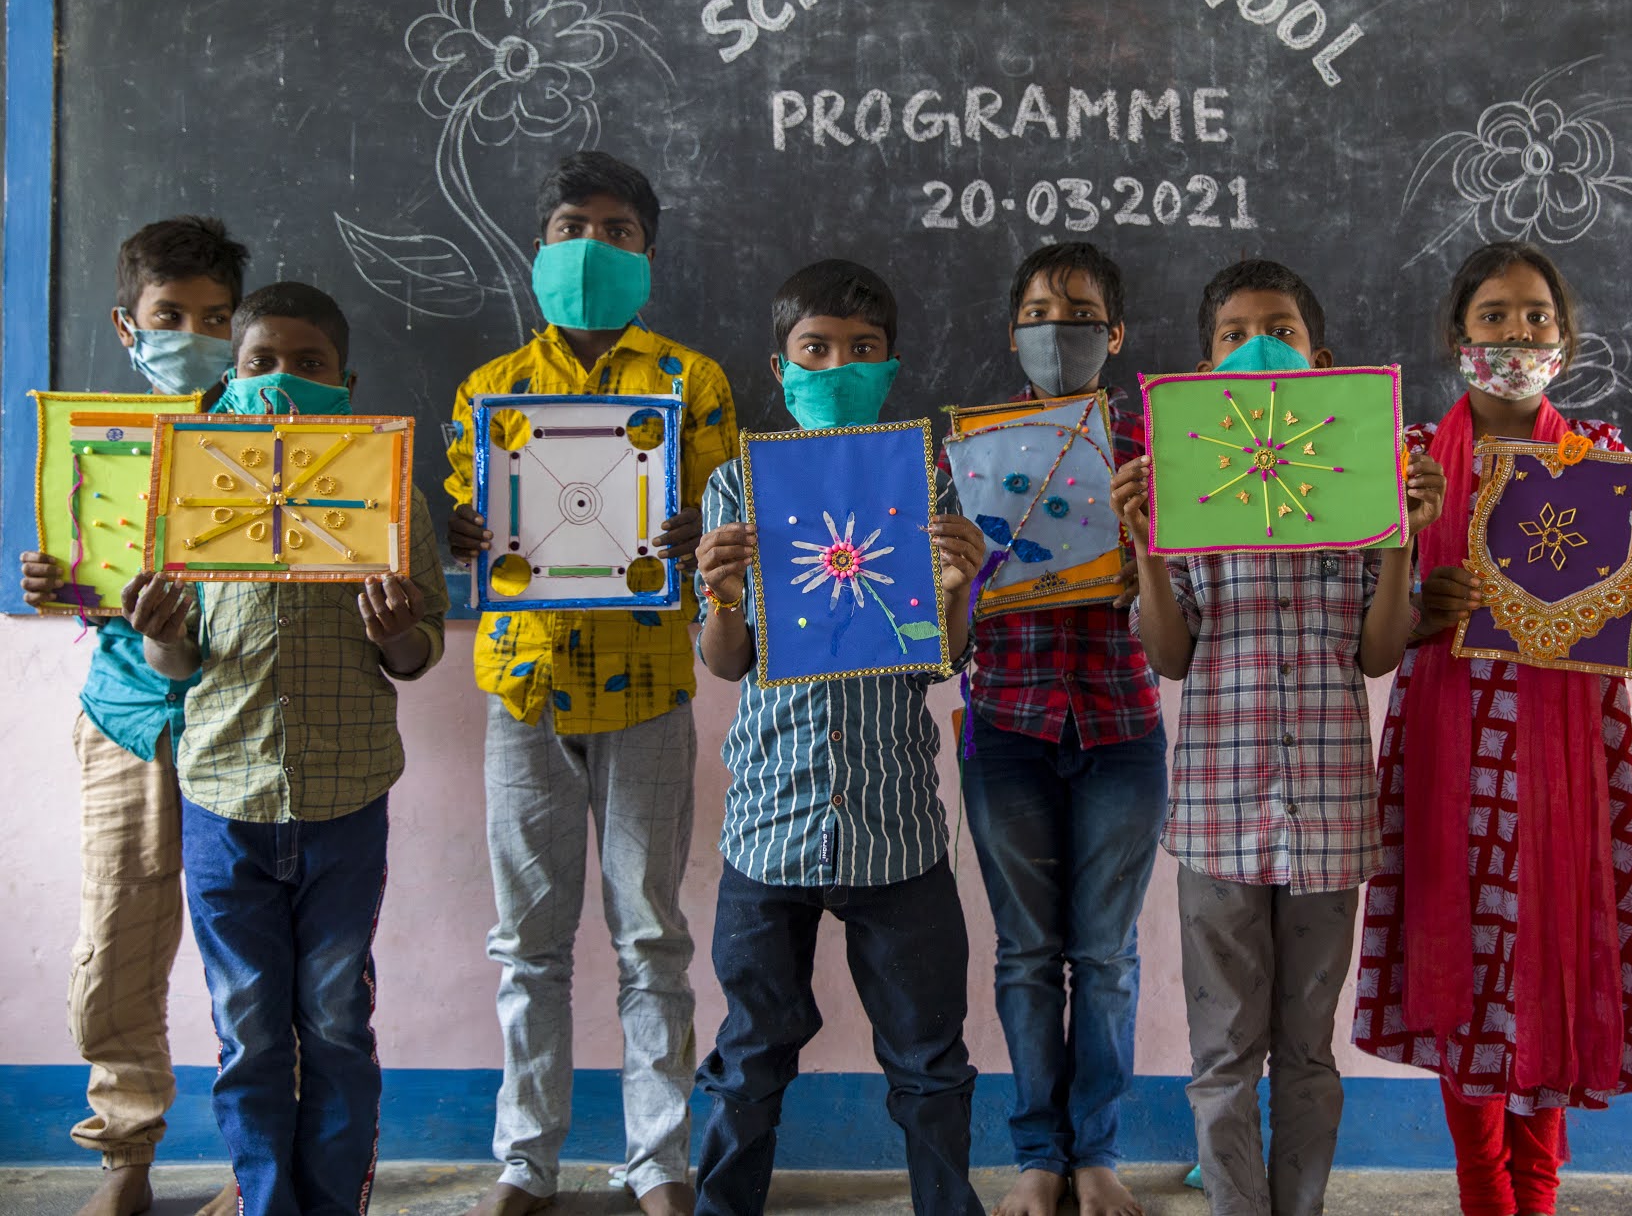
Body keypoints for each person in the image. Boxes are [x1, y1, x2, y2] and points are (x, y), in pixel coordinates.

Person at [1110, 258, 1444, 1216]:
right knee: (1223, 1054)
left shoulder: (1361, 486)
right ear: (1205, 368)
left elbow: (1378, 654)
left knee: (1306, 1050)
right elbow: (1170, 657)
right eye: (1235, 334)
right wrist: (1149, 545)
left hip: (1330, 818)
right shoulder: (1191, 489)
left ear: (1321, 361)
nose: (1258, 346)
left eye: (1281, 331)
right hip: (1218, 817)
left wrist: (1398, 536)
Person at [446, 151, 737, 1216]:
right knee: (528, 941)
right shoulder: (490, 390)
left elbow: (724, 518)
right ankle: (526, 1158)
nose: (591, 246)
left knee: (650, 933)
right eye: (572, 226)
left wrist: (701, 532)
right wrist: (464, 530)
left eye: (618, 231)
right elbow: (471, 515)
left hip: (647, 682)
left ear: (648, 255)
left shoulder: (692, 382)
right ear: (538, 247)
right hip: (524, 684)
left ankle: (658, 1158)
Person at [121, 281, 450, 1216]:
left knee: (337, 1020)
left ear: (346, 384)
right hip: (223, 796)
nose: (279, 379)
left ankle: (334, 1201)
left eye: (308, 364)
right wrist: (159, 633)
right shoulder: (187, 485)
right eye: (259, 362)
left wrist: (397, 633)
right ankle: (266, 1201)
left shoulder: (388, 492)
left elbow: (417, 653)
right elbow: (174, 658)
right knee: (248, 1027)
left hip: (346, 796)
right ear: (230, 376)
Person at [1350, 241, 1632, 1216]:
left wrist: (1630, 597)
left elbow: (1627, 597)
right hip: (1452, 745)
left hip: (1569, 750)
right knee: (1466, 968)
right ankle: (1484, 1189)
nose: (1515, 335)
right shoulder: (1406, 459)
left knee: (1553, 961)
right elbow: (1372, 621)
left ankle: (1539, 1188)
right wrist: (1419, 604)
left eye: (1535, 317)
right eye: (1493, 315)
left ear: (1564, 340)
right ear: (1458, 336)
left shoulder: (1601, 456)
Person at [692, 258, 988, 1216]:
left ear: (891, 368)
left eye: (862, 350)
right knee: (749, 1053)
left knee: (929, 1056)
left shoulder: (930, 481)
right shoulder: (737, 486)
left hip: (894, 822)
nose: (838, 366)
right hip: (769, 822)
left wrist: (958, 589)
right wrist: (721, 597)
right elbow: (726, 662)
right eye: (815, 349)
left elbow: (941, 661)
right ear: (781, 369)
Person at [18, 216, 247, 1216]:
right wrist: (54, 583)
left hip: (247, 716)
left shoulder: (274, 434)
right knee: (115, 944)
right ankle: (125, 1156)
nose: (194, 334)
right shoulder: (94, 441)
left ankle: (261, 1165)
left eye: (216, 317)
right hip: (128, 717)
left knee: (260, 959)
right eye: (171, 315)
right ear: (128, 325)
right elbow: (84, 578)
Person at [947, 242, 1164, 1216]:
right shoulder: (971, 456)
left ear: (1114, 335)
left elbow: (1179, 619)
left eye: (1078, 315)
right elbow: (946, 637)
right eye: (1038, 313)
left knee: (1106, 955)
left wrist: (1144, 549)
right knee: (1027, 952)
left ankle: (1097, 1151)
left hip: (1120, 722)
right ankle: (1038, 1152)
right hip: (1008, 722)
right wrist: (960, 573)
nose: (1056, 330)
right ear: (1011, 334)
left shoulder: (1153, 454)